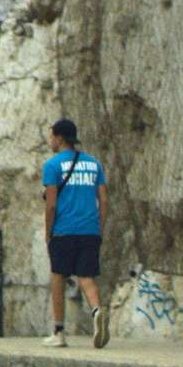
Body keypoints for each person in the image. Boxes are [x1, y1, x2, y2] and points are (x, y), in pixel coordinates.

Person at [41, 118, 110, 349]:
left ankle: (59, 332)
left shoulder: (52, 166)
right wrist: (99, 226)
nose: (51, 140)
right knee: (86, 276)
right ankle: (97, 310)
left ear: (59, 138)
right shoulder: (94, 163)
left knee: (58, 276)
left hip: (64, 230)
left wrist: (48, 232)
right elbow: (104, 198)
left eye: (52, 136)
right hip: (90, 229)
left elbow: (51, 205)